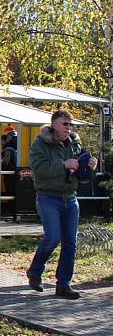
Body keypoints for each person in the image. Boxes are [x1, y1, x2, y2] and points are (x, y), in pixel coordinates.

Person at [27, 110, 97, 299]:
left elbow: (80, 176)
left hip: (70, 197)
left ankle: (63, 285)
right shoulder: (40, 144)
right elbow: (38, 169)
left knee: (70, 243)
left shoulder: (75, 143)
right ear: (53, 125)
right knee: (53, 237)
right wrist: (64, 164)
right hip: (48, 196)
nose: (69, 128)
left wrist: (88, 167)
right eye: (65, 124)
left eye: (70, 124)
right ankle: (35, 271)